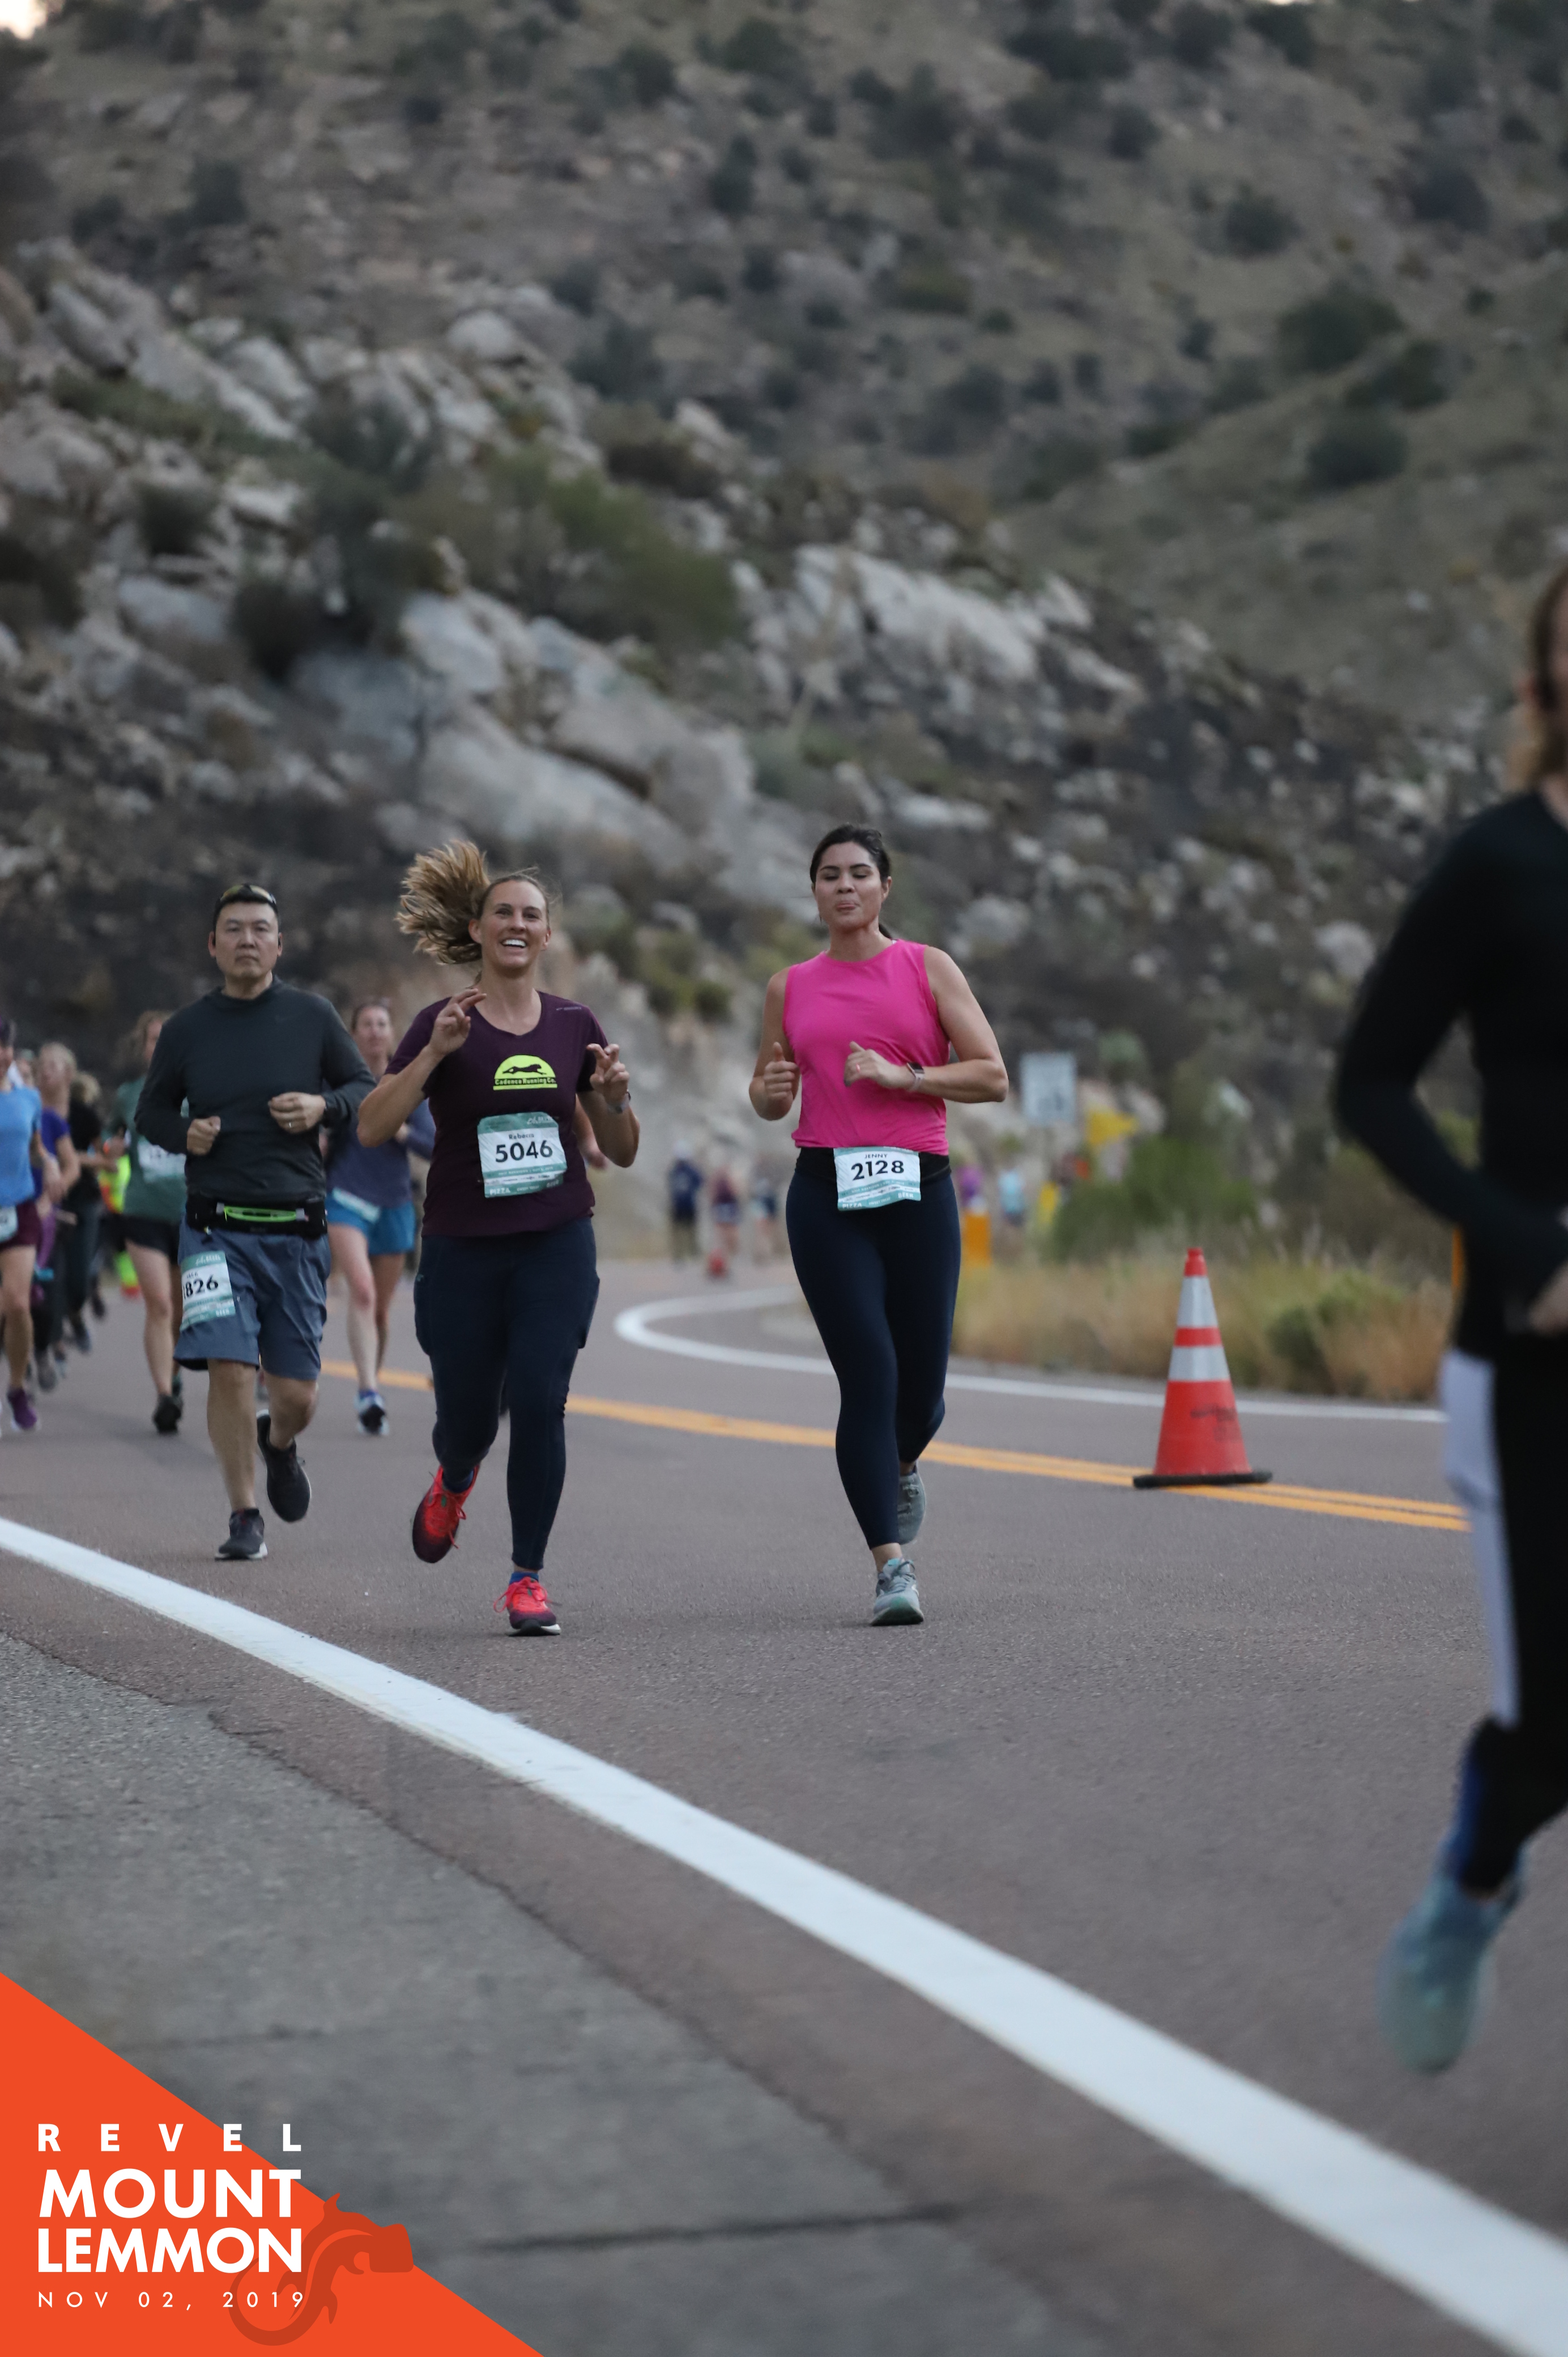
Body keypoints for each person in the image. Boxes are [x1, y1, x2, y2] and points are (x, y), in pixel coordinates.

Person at [1336, 561, 1568, 2074]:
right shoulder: (1500, 863)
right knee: (1553, 1725)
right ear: (1546, 679)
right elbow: (1370, 1082)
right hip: (1533, 1353)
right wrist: (1521, 1244)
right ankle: (1470, 1890)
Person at [358, 843, 639, 1636]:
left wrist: (614, 1101)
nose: (517, 924)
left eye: (531, 915)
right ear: (479, 929)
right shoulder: (442, 1021)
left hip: (556, 1239)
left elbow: (622, 1150)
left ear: (547, 935)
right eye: (504, 912)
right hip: (464, 1247)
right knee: (470, 1421)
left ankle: (526, 1578)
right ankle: (454, 1477)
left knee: (543, 1401)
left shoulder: (575, 1025)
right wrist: (434, 1055)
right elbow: (373, 1126)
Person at [749, 824, 1008, 1627]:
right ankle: (891, 1565)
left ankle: (897, 1463)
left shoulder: (927, 968)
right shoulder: (789, 986)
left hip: (917, 1189)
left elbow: (992, 1075)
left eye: (859, 873)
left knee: (921, 1395)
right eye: (829, 875)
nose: (845, 886)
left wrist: (906, 1077)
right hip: (826, 1194)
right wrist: (769, 1090)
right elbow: (766, 1093)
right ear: (814, 891)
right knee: (869, 1374)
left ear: (884, 887)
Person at [136, 886, 373, 1561]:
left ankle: (280, 1441)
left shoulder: (313, 1015)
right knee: (231, 1367)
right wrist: (185, 1133)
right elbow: (150, 1113)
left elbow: (364, 1089)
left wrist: (322, 1106)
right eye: (234, 929)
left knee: (297, 1394)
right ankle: (244, 1513)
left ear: (278, 944)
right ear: (213, 945)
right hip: (213, 1229)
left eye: (260, 928)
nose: (247, 939)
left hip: (296, 1227)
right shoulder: (186, 1028)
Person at [325, 998, 436, 1436]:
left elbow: (433, 1144)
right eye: (366, 1024)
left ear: (392, 1034)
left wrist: (400, 1129)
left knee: (381, 1313)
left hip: (394, 1201)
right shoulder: (338, 1081)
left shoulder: (408, 1083)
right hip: (346, 1196)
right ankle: (369, 1392)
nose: (374, 1030)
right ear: (353, 1034)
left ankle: (372, 1380)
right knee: (363, 1292)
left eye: (381, 1024)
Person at [113, 1010, 191, 1435]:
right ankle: (164, 1396)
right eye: (153, 1040)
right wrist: (109, 1147)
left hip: (189, 1215)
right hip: (143, 1211)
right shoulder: (128, 1095)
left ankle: (174, 1377)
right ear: (143, 1048)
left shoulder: (199, 1093)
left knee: (180, 1313)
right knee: (159, 1304)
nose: (160, 1047)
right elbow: (111, 1137)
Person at [0, 1017, 59, 1432]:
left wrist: (51, 1166)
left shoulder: (29, 1098)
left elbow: (37, 1147)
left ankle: (17, 1388)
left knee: (19, 1304)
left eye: (5, 1047)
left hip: (18, 1210)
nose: (2, 1055)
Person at [31, 1042, 83, 1393]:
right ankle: (19, 1374)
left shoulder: (49, 1120)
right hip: (12, 1217)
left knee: (46, 1298)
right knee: (14, 1297)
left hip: (46, 1219)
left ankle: (43, 1349)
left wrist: (54, 1191)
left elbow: (72, 1165)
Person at [60, 1070, 108, 1354]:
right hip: (50, 1200)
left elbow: (105, 1157)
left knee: (80, 1276)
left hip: (84, 1201)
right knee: (52, 1276)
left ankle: (76, 1315)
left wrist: (80, 1160)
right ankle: (51, 1342)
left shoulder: (87, 1117)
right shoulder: (37, 1111)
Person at [667, 1144, 703, 1261]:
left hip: (688, 1205)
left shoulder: (689, 1171)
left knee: (690, 1231)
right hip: (679, 1205)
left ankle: (691, 1254)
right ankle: (680, 1255)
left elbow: (700, 1183)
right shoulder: (675, 1171)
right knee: (679, 1231)